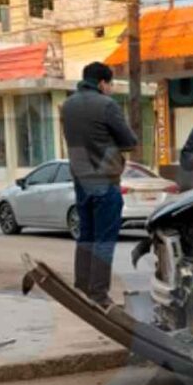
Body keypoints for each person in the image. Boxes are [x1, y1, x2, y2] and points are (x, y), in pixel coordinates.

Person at [60, 62, 138, 308]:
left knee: (87, 235)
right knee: (104, 239)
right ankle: (99, 294)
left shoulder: (68, 105)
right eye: (111, 84)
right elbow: (129, 141)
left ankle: (82, 285)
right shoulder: (107, 105)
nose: (112, 89)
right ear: (103, 83)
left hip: (81, 179)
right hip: (104, 179)